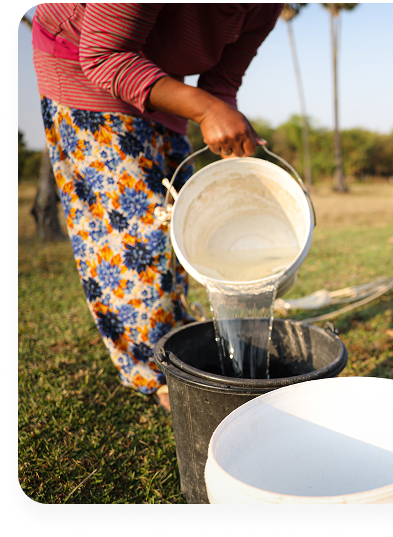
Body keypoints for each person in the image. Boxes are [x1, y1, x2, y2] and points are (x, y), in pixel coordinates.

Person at [32, 3, 284, 411]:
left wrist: (219, 115)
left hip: (160, 80)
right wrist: (206, 109)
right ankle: (156, 374)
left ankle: (177, 341)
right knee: (135, 230)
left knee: (180, 220)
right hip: (85, 61)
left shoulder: (265, 10)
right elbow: (103, 56)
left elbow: (220, 83)